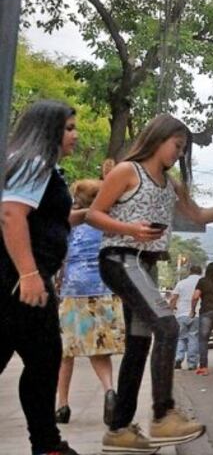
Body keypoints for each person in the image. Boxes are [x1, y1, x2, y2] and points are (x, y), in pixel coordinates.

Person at [87, 114, 213, 452]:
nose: (179, 154)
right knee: (168, 326)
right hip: (120, 259)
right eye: (177, 146)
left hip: (145, 265)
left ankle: (119, 430)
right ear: (158, 137)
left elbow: (199, 216)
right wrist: (131, 229)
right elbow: (94, 214)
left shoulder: (172, 184)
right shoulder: (127, 171)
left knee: (139, 345)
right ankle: (163, 415)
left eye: (183, 151)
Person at [0, 100, 82, 455]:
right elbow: (10, 215)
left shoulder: (36, 166)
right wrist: (29, 274)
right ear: (47, 130)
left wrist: (90, 214)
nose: (75, 135)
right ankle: (47, 444)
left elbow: (45, 219)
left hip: (21, 279)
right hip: (19, 281)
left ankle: (47, 443)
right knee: (45, 359)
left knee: (42, 359)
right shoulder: (32, 163)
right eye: (69, 128)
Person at [55, 179, 126, 427]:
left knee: (65, 352)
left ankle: (62, 405)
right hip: (105, 288)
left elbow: (60, 254)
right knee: (99, 349)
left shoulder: (71, 223)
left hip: (74, 291)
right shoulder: (108, 222)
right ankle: (109, 390)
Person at [170, 264, 201, 370]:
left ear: (190, 272)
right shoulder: (202, 282)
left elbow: (173, 299)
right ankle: (192, 363)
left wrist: (171, 311)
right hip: (196, 314)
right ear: (200, 272)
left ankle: (178, 358)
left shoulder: (181, 283)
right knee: (194, 338)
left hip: (181, 314)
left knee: (180, 337)